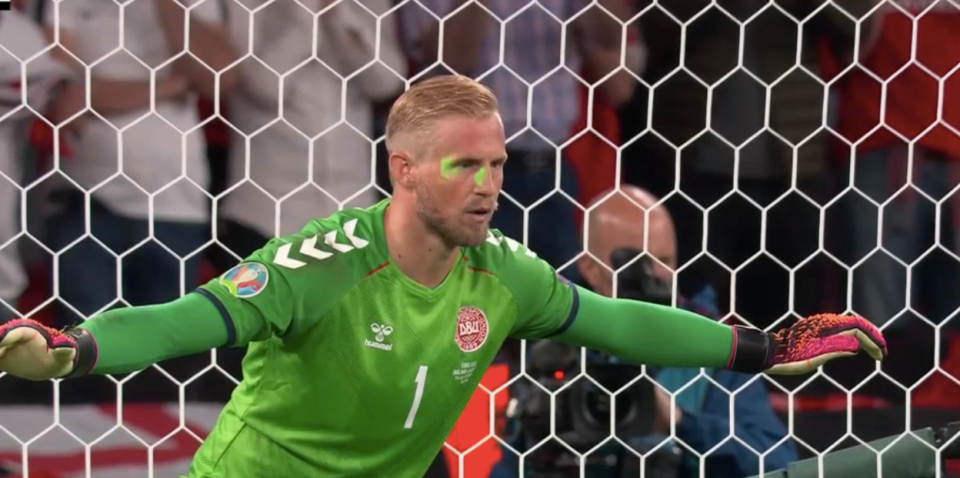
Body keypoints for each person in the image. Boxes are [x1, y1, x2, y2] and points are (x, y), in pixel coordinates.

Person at [0, 76, 886, 478]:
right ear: (404, 170)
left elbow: (620, 322)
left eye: (496, 163)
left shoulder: (504, 273)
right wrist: (73, 350)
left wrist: (765, 346)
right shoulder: (321, 264)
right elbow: (180, 321)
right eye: (465, 165)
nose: (490, 184)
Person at [575, 185, 797, 478]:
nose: (656, 274)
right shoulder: (560, 345)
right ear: (591, 269)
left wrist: (678, 422)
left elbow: (777, 462)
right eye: (638, 261)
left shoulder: (717, 347)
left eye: (665, 260)